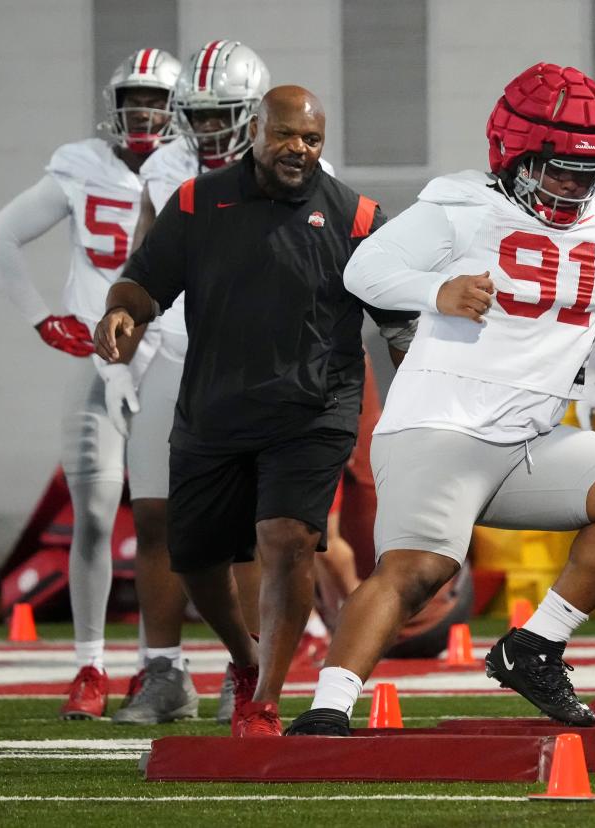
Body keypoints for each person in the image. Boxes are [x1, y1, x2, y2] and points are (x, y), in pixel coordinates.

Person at [286, 62, 595, 736]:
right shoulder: (466, 203)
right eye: (557, 168)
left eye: (586, 171)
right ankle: (328, 707)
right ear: (516, 154)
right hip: (439, 428)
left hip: (529, 439)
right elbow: (365, 270)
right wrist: (435, 292)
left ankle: (534, 645)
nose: (572, 185)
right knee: (418, 571)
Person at [93, 85, 416, 737]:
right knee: (197, 554)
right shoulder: (196, 202)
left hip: (315, 407)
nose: (298, 148)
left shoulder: (357, 217)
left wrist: (426, 391)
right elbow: (143, 281)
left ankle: (265, 700)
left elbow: (400, 323)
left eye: (313, 139)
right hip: (215, 402)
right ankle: (242, 663)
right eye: (286, 135)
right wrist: (122, 311)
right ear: (255, 132)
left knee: (286, 540)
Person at [0, 48, 181, 720]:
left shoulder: (190, 172)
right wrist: (43, 319)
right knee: (92, 515)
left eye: (156, 101)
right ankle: (89, 667)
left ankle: (160, 667)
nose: (144, 113)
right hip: (101, 359)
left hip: (173, 359)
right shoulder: (80, 165)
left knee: (168, 520)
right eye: (135, 101)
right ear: (116, 106)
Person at [110, 39, 271, 727]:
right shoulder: (167, 166)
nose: (207, 129)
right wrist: (121, 335)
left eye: (221, 114)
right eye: (198, 115)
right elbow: (142, 257)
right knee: (155, 516)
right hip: (173, 351)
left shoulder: (290, 165)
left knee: (248, 529)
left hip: (250, 361)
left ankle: (249, 669)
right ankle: (165, 670)